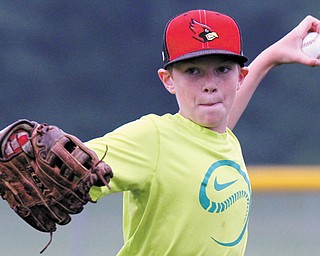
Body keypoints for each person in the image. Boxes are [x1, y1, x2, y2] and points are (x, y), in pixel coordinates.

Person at [85, 10, 320, 255]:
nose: (210, 84)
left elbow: (212, 131)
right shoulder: (152, 138)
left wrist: (271, 57)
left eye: (222, 70)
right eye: (193, 71)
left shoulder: (221, 138)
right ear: (168, 80)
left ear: (241, 76)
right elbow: (67, 163)